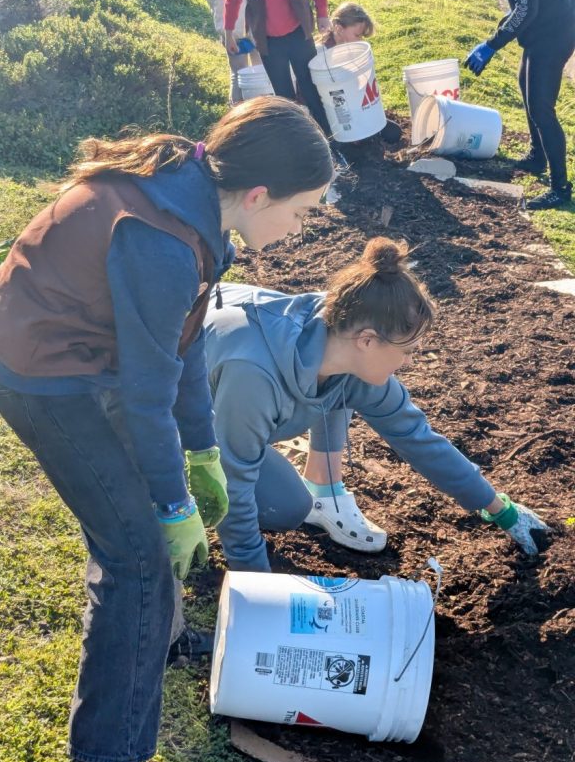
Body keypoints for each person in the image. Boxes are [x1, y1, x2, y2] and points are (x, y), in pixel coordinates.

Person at [0, 97, 334, 762]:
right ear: (259, 195)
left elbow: (182, 347)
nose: (300, 226)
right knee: (138, 557)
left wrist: (204, 448)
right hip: (46, 375)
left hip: (91, 358)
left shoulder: (199, 196)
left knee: (139, 543)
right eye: (303, 211)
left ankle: (158, 632)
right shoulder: (159, 239)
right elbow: (146, 398)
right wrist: (176, 504)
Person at [204, 237, 549, 573]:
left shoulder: (342, 338)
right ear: (367, 340)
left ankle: (324, 488)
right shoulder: (254, 375)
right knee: (263, 500)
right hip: (176, 412)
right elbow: (235, 486)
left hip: (236, 402)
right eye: (406, 351)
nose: (409, 363)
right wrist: (255, 586)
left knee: (291, 507)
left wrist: (501, 510)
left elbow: (418, 437)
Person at [464, 0, 575, 211]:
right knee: (524, 83)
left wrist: (492, 44)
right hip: (556, 18)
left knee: (541, 107)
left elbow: (526, 9)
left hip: (553, 31)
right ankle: (537, 157)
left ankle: (560, 189)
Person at [221, 0, 331, 137]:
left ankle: (328, 137)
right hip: (269, 43)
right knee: (284, 98)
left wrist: (322, 13)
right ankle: (297, 140)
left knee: (310, 88)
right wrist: (229, 34)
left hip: (298, 34)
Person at [320, 0, 401, 145]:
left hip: (357, 109)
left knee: (393, 133)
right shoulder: (322, 55)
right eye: (357, 35)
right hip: (335, 116)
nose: (360, 40)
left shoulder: (352, 51)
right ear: (338, 28)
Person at [203, 0, 261, 104]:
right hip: (252, 24)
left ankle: (235, 114)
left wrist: (219, 16)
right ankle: (259, 109)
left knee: (237, 73)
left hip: (229, 28)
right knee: (260, 72)